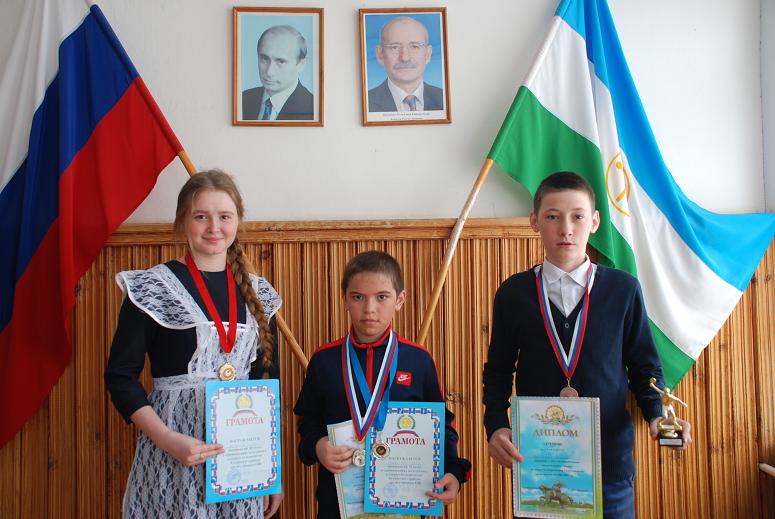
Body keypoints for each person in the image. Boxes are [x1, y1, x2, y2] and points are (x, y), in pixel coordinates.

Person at [482, 172, 692, 518]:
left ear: (594, 222)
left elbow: (645, 367)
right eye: (553, 216)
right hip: (539, 466)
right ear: (535, 222)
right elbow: (498, 371)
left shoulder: (623, 290)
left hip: (609, 466)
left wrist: (658, 416)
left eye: (577, 216)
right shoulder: (513, 293)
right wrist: (495, 425)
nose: (566, 229)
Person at [104, 170, 283, 518]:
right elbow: (120, 377)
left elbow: (266, 385)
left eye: (224, 216)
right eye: (201, 216)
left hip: (241, 459)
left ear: (238, 221)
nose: (214, 227)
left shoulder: (260, 294)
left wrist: (271, 471)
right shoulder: (152, 288)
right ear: (182, 221)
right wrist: (166, 439)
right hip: (173, 450)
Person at [293, 251, 470, 518]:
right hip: (338, 506)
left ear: (400, 300)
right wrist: (317, 446)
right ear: (344, 298)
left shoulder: (418, 360)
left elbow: (442, 425)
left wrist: (454, 471)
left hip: (405, 504)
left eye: (382, 297)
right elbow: (307, 421)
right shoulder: (324, 360)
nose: (369, 309)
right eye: (358, 297)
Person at [368, 16, 443, 113]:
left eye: (415, 46)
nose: (405, 58)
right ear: (380, 54)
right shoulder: (366, 103)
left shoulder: (445, 99)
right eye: (394, 47)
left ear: (428, 54)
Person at [242, 25, 313, 120]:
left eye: (281, 61)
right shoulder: (242, 99)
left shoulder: (313, 109)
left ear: (301, 64)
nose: (269, 72)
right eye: (265, 58)